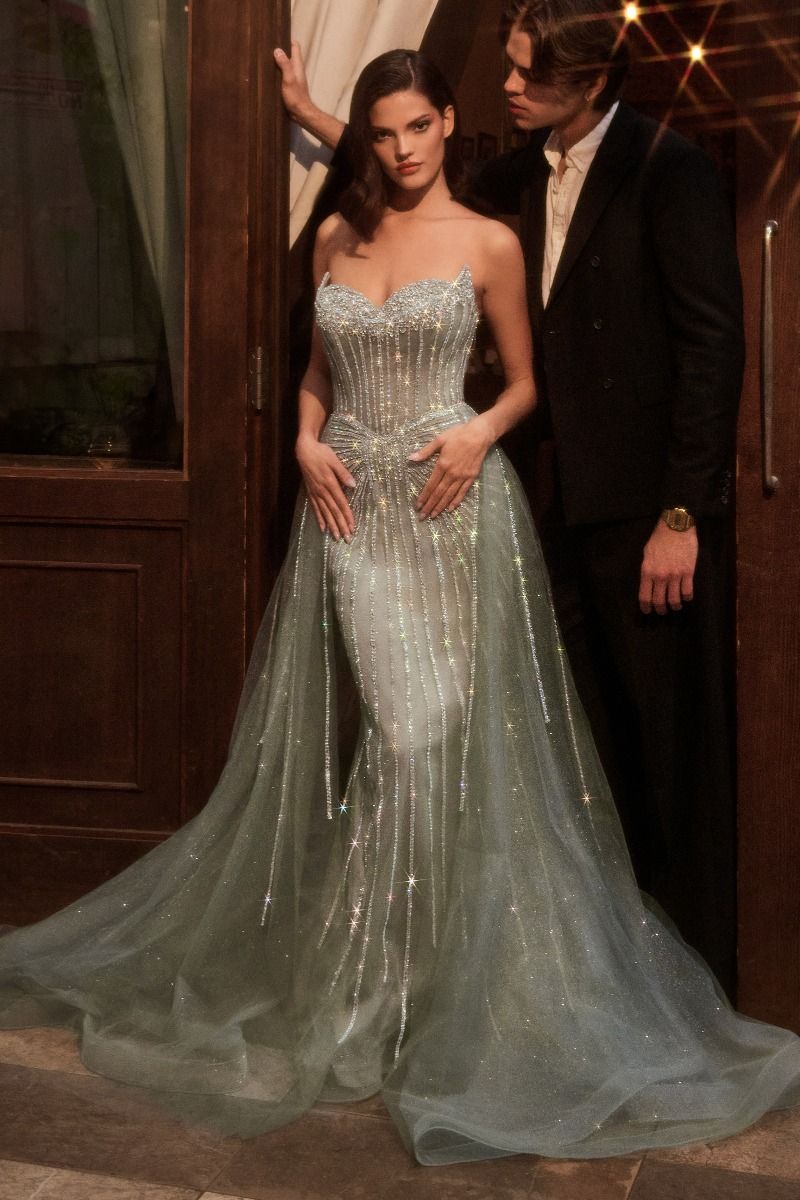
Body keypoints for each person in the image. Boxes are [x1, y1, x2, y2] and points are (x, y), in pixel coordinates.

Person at [1, 47, 798, 1169]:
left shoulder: (489, 239)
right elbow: (317, 372)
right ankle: (378, 979)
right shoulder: (335, 235)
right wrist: (301, 438)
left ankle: (435, 987)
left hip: (451, 509)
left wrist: (477, 432)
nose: (403, 148)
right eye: (382, 132)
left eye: (420, 126)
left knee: (432, 742)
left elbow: (525, 383)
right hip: (353, 518)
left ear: (448, 123)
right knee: (395, 733)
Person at [274, 0, 744, 996]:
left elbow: (712, 351)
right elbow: (400, 162)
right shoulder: (518, 172)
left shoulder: (668, 170)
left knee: (661, 744)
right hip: (537, 498)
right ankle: (468, 958)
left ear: (589, 81)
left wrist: (682, 513)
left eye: (529, 73)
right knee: (564, 742)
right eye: (512, 68)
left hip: (638, 509)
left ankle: (682, 979)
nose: (509, 85)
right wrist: (316, 116)